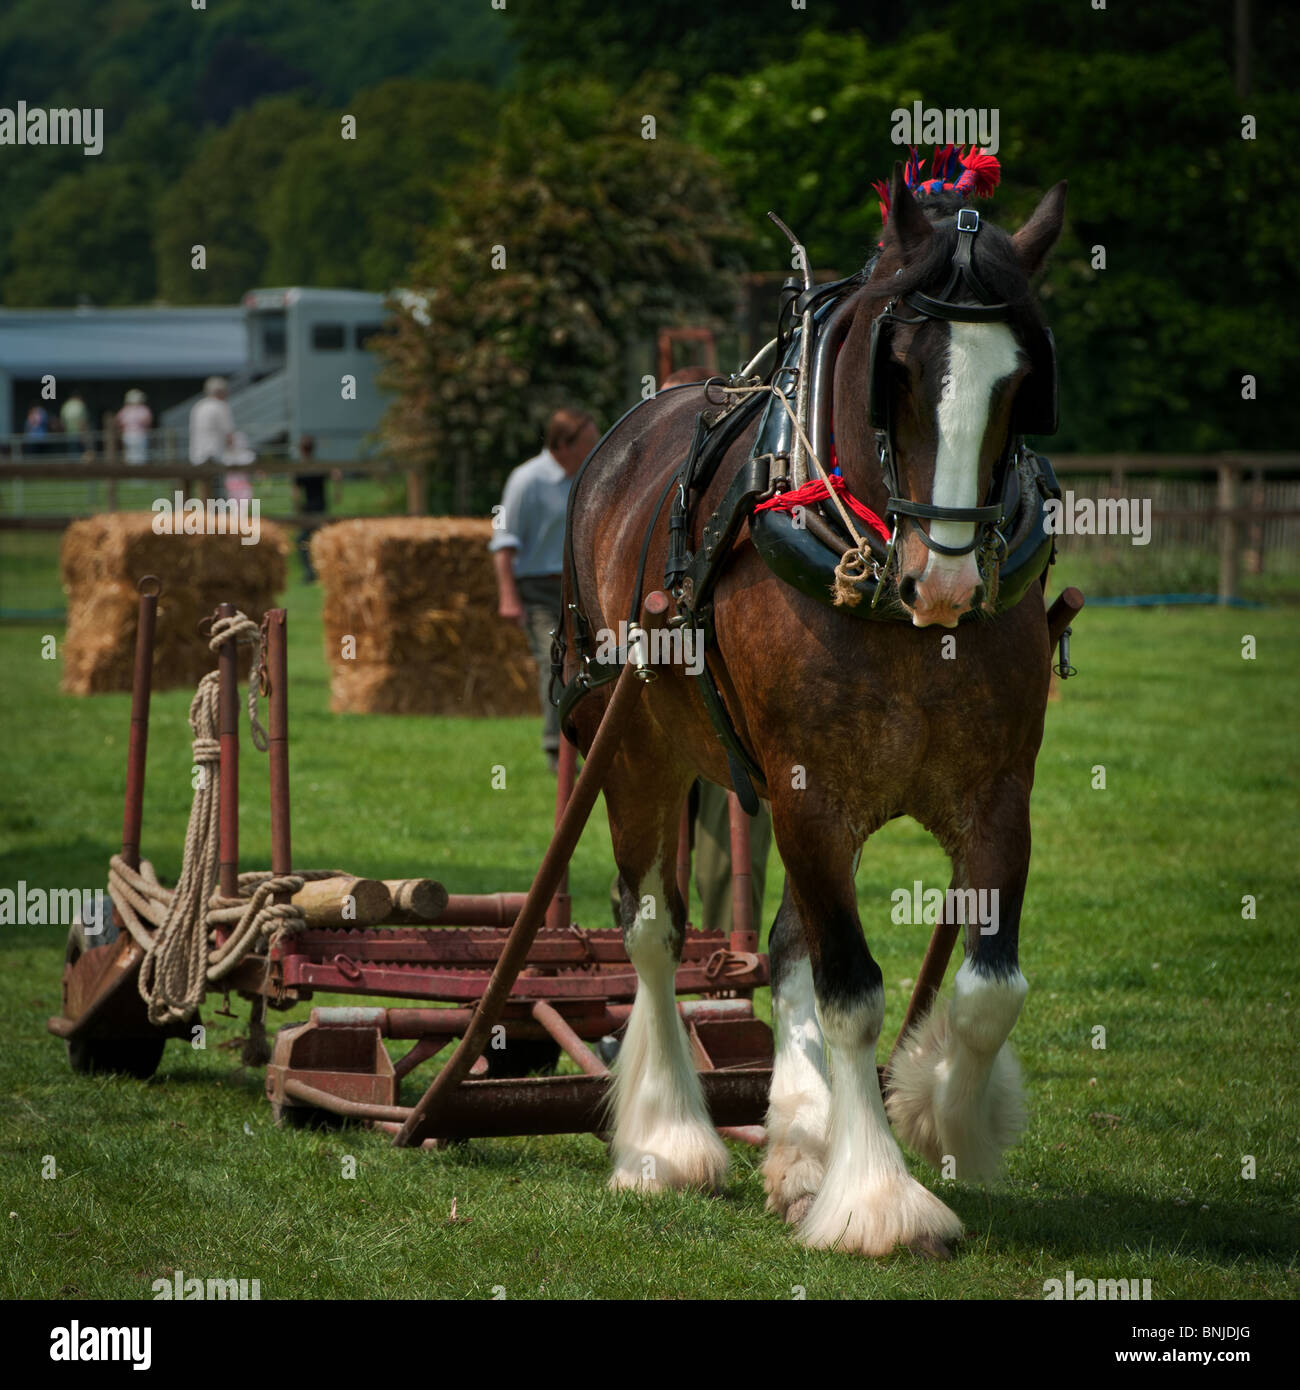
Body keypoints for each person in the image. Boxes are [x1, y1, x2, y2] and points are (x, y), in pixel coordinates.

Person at [490, 408, 599, 771]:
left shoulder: (588, 476)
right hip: (538, 587)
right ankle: (556, 747)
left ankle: (589, 738)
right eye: (588, 441)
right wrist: (508, 598)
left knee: (591, 660)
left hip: (580, 586)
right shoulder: (525, 480)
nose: (596, 446)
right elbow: (504, 543)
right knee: (555, 660)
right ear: (564, 444)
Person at [116, 389, 152, 464]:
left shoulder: (125, 410)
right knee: (139, 455)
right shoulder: (143, 409)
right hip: (138, 435)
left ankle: (133, 472)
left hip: (130, 434)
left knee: (132, 455)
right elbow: (148, 422)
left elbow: (119, 421)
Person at [60, 390, 88, 458]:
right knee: (80, 453)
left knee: (72, 453)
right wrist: (84, 433)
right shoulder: (80, 405)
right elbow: (83, 421)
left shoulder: (66, 405)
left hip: (69, 432)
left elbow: (62, 421)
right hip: (79, 433)